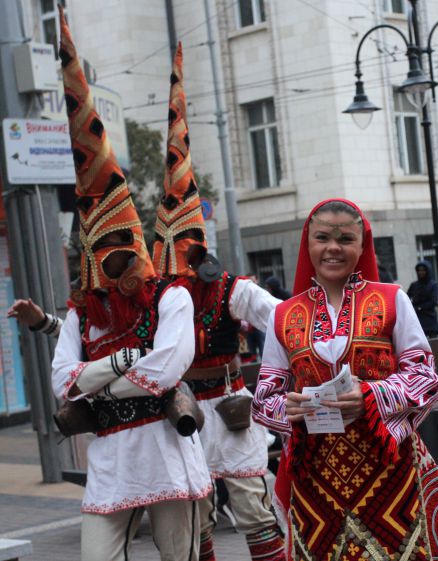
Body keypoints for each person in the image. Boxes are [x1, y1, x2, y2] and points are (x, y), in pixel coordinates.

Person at [50, 13, 211, 560]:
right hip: (112, 460)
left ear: (140, 243)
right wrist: (121, 368)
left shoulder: (174, 296)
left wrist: (94, 377)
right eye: (106, 253)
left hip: (166, 449)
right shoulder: (80, 314)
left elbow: (166, 369)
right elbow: (61, 386)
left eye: (126, 247)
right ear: (93, 257)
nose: (120, 264)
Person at [252, 198, 438, 561]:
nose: (333, 248)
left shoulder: (392, 300)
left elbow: (425, 376)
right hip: (317, 482)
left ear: (362, 246)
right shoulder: (283, 315)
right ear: (307, 243)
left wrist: (371, 397)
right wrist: (289, 408)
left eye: (345, 238)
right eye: (322, 237)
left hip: (390, 473)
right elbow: (264, 399)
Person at [150, 43, 284, 561]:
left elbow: (281, 319)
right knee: (196, 514)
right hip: (180, 414)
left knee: (252, 505)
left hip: (230, 408)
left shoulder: (231, 289)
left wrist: (275, 373)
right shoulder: (156, 295)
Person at [407, 260, 438, 338]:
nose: (421, 272)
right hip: (417, 320)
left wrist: (420, 307)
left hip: (430, 319)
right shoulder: (414, 285)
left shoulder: (433, 285)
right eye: (419, 270)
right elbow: (407, 298)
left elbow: (434, 301)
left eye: (423, 270)